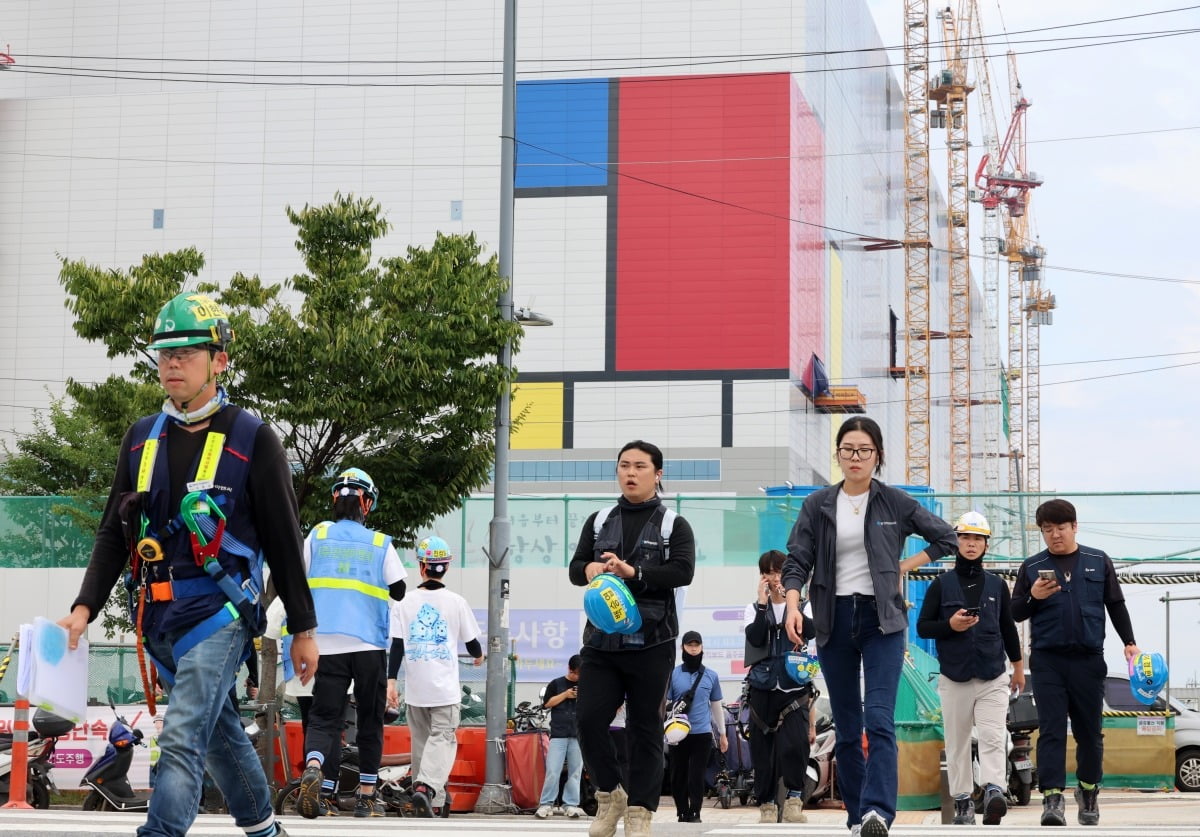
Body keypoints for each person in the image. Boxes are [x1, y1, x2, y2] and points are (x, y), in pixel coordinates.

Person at [58, 291, 317, 837]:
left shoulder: (253, 439)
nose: (172, 363)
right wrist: (83, 608)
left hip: (220, 615)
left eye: (188, 352)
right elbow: (113, 534)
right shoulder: (140, 439)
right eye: (164, 353)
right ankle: (267, 831)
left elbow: (285, 540)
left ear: (219, 360)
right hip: (158, 621)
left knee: (179, 735)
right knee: (217, 733)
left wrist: (304, 628)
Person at [782, 416, 957, 837]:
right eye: (847, 450)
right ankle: (858, 815)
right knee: (845, 725)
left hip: (884, 622)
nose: (855, 457)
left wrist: (905, 565)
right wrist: (792, 604)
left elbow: (947, 538)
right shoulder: (818, 504)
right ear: (839, 455)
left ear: (877, 456)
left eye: (864, 450)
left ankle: (880, 811)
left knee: (878, 718)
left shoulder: (894, 502)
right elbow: (797, 559)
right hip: (833, 619)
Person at [569, 439, 696, 837]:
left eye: (640, 466)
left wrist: (634, 573)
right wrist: (590, 566)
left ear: (657, 474)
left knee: (644, 728)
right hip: (601, 644)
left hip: (653, 642)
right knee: (588, 720)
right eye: (624, 465)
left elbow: (682, 571)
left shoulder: (674, 523)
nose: (630, 472)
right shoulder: (599, 519)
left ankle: (641, 809)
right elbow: (575, 569)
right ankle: (610, 795)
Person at [1011, 499, 1140, 827]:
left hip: (1088, 659)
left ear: (1074, 527)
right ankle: (1052, 799)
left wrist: (1129, 643)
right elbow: (1014, 612)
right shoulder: (1031, 566)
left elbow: (1116, 605)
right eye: (1047, 529)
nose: (1054, 535)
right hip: (1048, 661)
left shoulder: (1098, 560)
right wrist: (1033, 597)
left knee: (1090, 733)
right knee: (1051, 731)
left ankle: (1088, 792)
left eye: (1060, 528)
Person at [296, 468, 408, 820]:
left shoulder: (318, 534)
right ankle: (366, 797)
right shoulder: (379, 543)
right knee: (371, 721)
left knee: (325, 718)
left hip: (325, 643)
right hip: (368, 645)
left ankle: (317, 774)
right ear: (367, 504)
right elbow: (400, 589)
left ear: (335, 500)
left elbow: (297, 578)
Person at [916, 511, 1025, 826]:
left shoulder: (996, 585)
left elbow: (1008, 628)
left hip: (992, 673)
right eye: (965, 537)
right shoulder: (941, 584)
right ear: (956, 541)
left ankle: (994, 790)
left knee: (993, 735)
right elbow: (923, 627)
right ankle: (963, 800)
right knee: (957, 740)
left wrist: (1017, 668)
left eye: (977, 538)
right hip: (955, 676)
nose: (971, 543)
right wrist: (950, 625)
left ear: (986, 544)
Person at [387, 535, 483, 817]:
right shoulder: (456, 602)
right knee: (442, 740)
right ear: (447, 567)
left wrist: (391, 681)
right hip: (445, 691)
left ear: (421, 567)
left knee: (422, 745)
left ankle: (434, 802)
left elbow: (397, 647)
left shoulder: (403, 603)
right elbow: (473, 644)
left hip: (416, 690)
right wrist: (479, 656)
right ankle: (426, 788)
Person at [743, 549, 816, 824]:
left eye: (779, 572)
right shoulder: (752, 609)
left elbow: (810, 631)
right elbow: (755, 636)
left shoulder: (804, 605)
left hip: (793, 686)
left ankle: (795, 799)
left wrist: (790, 603)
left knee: (795, 746)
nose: (774, 578)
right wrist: (764, 605)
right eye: (768, 572)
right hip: (762, 686)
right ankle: (767, 804)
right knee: (762, 750)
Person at [665, 630, 726, 823]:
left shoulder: (711, 676)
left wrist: (723, 734)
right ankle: (682, 810)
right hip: (678, 733)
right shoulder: (673, 674)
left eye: (696, 645)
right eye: (689, 645)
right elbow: (666, 704)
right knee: (678, 774)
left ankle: (695, 811)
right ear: (683, 647)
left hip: (702, 733)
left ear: (701, 648)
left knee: (696, 775)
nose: (693, 649)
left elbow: (716, 706)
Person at [535, 654, 585, 819]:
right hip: (558, 734)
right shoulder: (556, 683)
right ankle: (546, 803)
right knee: (553, 770)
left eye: (580, 674)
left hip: (578, 734)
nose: (577, 677)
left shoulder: (586, 684)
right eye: (575, 673)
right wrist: (565, 695)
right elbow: (547, 703)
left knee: (576, 771)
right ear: (569, 669)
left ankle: (570, 804)